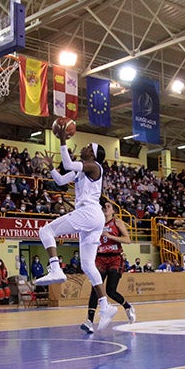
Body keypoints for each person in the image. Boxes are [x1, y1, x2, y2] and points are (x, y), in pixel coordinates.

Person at [33, 131, 118, 330]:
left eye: (88, 147)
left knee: (46, 231)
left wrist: (62, 139)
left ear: (93, 155)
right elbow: (61, 181)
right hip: (93, 217)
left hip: (89, 212)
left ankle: (55, 268)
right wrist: (51, 168)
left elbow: (70, 164)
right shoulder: (83, 170)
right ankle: (105, 306)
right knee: (88, 265)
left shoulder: (95, 166)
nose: (84, 147)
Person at [81, 199, 136, 334]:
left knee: (111, 291)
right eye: (104, 206)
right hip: (100, 258)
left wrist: (110, 236)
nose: (105, 208)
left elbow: (127, 240)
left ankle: (128, 307)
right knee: (96, 289)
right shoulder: (97, 223)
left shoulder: (117, 222)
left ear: (113, 210)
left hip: (114, 258)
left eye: (108, 206)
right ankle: (89, 321)